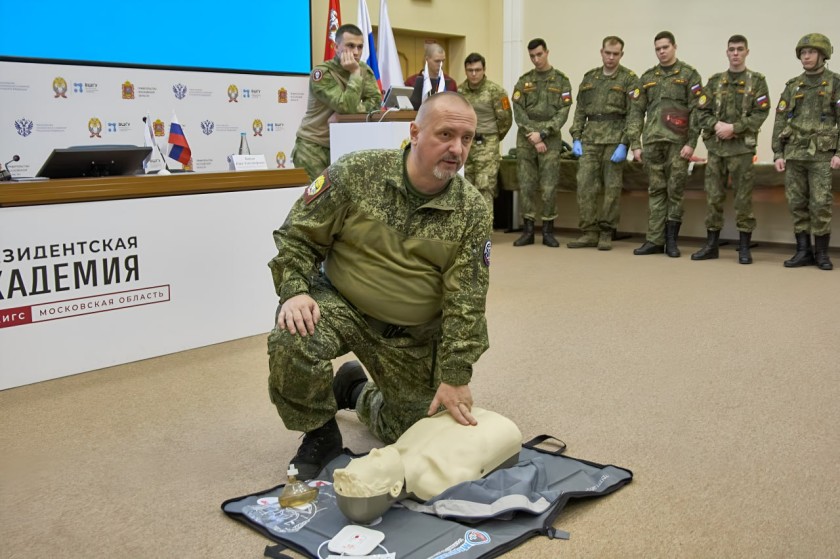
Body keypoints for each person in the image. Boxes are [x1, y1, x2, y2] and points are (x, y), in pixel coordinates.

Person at [267, 92, 492, 481]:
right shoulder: (356, 174)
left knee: (415, 432)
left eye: (467, 138)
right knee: (294, 335)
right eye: (446, 134)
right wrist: (295, 290)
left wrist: (456, 375)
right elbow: (297, 236)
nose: (457, 148)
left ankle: (355, 392)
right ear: (415, 132)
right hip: (342, 304)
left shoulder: (471, 211)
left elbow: (466, 301)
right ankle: (320, 434)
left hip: (411, 334)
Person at [333, 408, 522, 521]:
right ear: (395, 489)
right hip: (503, 428)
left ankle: (356, 391)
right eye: (377, 463)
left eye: (366, 457)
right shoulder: (445, 481)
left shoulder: (401, 447)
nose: (374, 451)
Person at [692, 35, 770, 264]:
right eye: (731, 50)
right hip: (717, 150)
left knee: (743, 200)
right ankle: (711, 245)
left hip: (742, 152)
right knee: (713, 198)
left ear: (747, 52)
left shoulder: (757, 81)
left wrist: (734, 128)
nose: (735, 53)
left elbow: (760, 113)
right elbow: (701, 112)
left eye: (740, 49)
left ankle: (744, 247)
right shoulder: (715, 82)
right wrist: (716, 126)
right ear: (726, 53)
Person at [632, 31, 708, 257]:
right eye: (657, 48)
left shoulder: (688, 75)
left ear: (674, 47)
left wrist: (692, 142)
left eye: (665, 47)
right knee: (655, 191)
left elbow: (697, 110)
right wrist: (635, 143)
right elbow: (636, 112)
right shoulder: (647, 77)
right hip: (653, 142)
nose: (661, 51)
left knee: (674, 191)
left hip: (678, 144)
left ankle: (671, 241)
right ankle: (654, 239)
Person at [772, 33, 840, 271]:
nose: (806, 56)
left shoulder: (835, 83)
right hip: (794, 153)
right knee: (797, 203)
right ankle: (803, 251)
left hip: (822, 155)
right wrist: (778, 153)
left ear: (822, 55)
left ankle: (821, 253)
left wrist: (839, 152)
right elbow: (780, 120)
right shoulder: (793, 86)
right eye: (803, 52)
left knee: (820, 203)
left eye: (810, 52)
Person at [567, 36, 642, 251]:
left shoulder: (629, 79)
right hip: (590, 139)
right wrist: (576, 137)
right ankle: (589, 232)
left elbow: (634, 114)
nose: (611, 57)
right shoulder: (590, 78)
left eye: (615, 54)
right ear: (601, 52)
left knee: (611, 188)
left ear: (621, 54)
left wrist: (625, 143)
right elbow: (580, 110)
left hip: (614, 138)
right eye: (607, 53)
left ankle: (607, 231)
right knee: (585, 186)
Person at [292, 24, 382, 181]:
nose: (356, 52)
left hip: (343, 145)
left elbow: (375, 103)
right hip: (313, 148)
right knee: (317, 201)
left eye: (360, 47)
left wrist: (356, 109)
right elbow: (345, 106)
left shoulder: (364, 70)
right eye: (350, 46)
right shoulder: (321, 73)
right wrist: (354, 73)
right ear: (336, 47)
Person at [511, 38, 573, 247]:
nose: (536, 59)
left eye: (539, 54)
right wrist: (533, 135)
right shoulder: (524, 81)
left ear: (547, 52)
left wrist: (544, 134)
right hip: (526, 139)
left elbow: (563, 112)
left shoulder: (561, 80)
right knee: (526, 185)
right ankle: (528, 230)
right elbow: (518, 112)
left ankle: (548, 231)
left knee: (548, 187)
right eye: (532, 56)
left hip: (551, 139)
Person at [459, 52, 513, 209]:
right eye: (470, 70)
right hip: (466, 145)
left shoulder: (496, 91)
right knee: (466, 186)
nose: (474, 74)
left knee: (484, 188)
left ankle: (485, 233)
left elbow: (506, 120)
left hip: (487, 146)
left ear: (484, 69)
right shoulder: (461, 91)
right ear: (466, 71)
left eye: (477, 70)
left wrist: (493, 138)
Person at [406, 43, 459, 110]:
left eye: (443, 61)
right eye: (437, 61)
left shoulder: (451, 83)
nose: (441, 65)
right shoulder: (411, 82)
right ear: (426, 60)